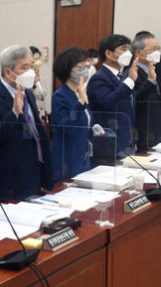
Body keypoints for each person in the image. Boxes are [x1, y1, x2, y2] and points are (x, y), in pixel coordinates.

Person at [0, 45, 53, 205]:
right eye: (25, 67)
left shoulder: (29, 94)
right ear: (7, 72)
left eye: (32, 66)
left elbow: (36, 134)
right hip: (8, 183)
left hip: (34, 175)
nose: (31, 72)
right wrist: (13, 113)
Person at [87, 34, 138, 157]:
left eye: (128, 49)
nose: (128, 54)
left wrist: (134, 139)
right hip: (110, 143)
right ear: (109, 54)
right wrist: (130, 81)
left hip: (128, 142)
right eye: (123, 49)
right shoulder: (98, 79)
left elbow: (130, 110)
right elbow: (108, 102)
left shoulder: (124, 77)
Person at [50, 47, 92, 182]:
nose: (84, 71)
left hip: (83, 154)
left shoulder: (81, 92)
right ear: (67, 70)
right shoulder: (60, 96)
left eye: (86, 66)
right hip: (66, 157)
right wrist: (79, 104)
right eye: (80, 67)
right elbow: (65, 127)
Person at [129, 32, 161, 152]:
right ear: (138, 52)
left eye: (158, 49)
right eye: (153, 49)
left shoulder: (154, 71)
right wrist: (150, 81)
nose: (157, 52)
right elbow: (135, 100)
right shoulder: (132, 73)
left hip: (156, 131)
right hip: (142, 134)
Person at [30, 46, 47, 116]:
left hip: (42, 115)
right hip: (33, 114)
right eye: (35, 59)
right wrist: (33, 83)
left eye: (39, 59)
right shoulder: (26, 77)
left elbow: (43, 96)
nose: (38, 62)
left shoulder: (40, 76)